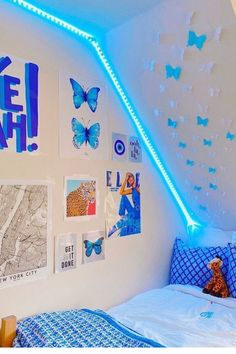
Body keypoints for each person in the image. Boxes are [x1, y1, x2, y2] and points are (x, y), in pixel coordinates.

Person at [108, 172, 140, 237]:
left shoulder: (138, 188)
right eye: (129, 180)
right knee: (123, 196)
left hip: (138, 211)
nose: (130, 181)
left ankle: (116, 226)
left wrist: (136, 187)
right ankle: (122, 215)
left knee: (131, 214)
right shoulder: (132, 190)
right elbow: (121, 192)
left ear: (134, 180)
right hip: (133, 209)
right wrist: (125, 179)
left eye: (131, 179)